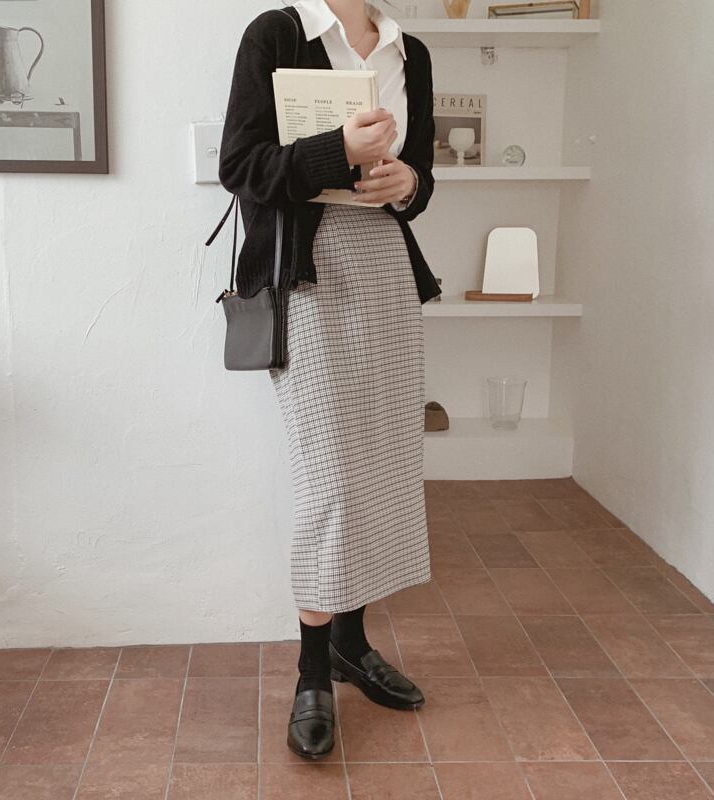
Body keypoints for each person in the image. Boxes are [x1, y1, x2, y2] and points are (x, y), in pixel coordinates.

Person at [219, 0, 440, 760]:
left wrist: (406, 183)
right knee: (334, 475)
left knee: (381, 463)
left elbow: (423, 181)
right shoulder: (278, 34)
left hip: (385, 267)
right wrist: (336, 151)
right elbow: (241, 167)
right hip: (307, 275)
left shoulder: (411, 52)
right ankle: (313, 669)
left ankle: (351, 640)